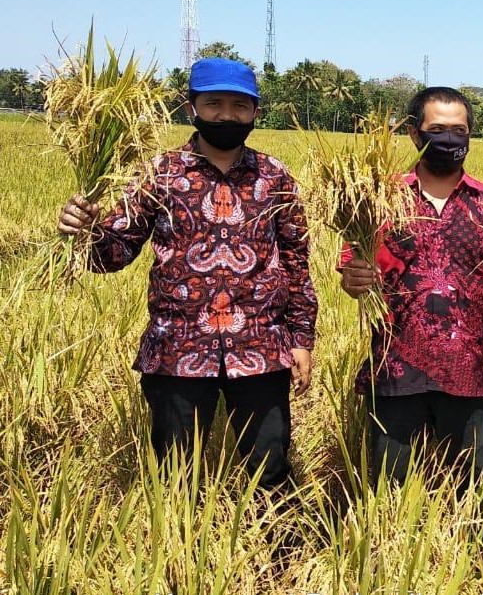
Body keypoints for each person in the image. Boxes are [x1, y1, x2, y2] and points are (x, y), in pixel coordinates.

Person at [56, 57, 317, 488]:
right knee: (175, 474)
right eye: (214, 103)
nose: (227, 115)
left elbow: (295, 263)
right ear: (191, 107)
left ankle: (279, 552)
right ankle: (180, 551)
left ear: (255, 111)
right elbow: (116, 252)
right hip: (177, 348)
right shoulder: (159, 173)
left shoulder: (275, 177)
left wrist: (302, 339)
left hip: (262, 346)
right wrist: (85, 232)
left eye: (240, 105)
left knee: (270, 468)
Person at [338, 86, 483, 485]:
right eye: (437, 128)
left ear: (470, 136)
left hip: (470, 369)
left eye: (458, 130)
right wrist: (355, 280)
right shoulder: (379, 200)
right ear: (414, 133)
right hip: (395, 368)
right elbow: (354, 275)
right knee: (391, 485)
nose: (448, 139)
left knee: (471, 485)